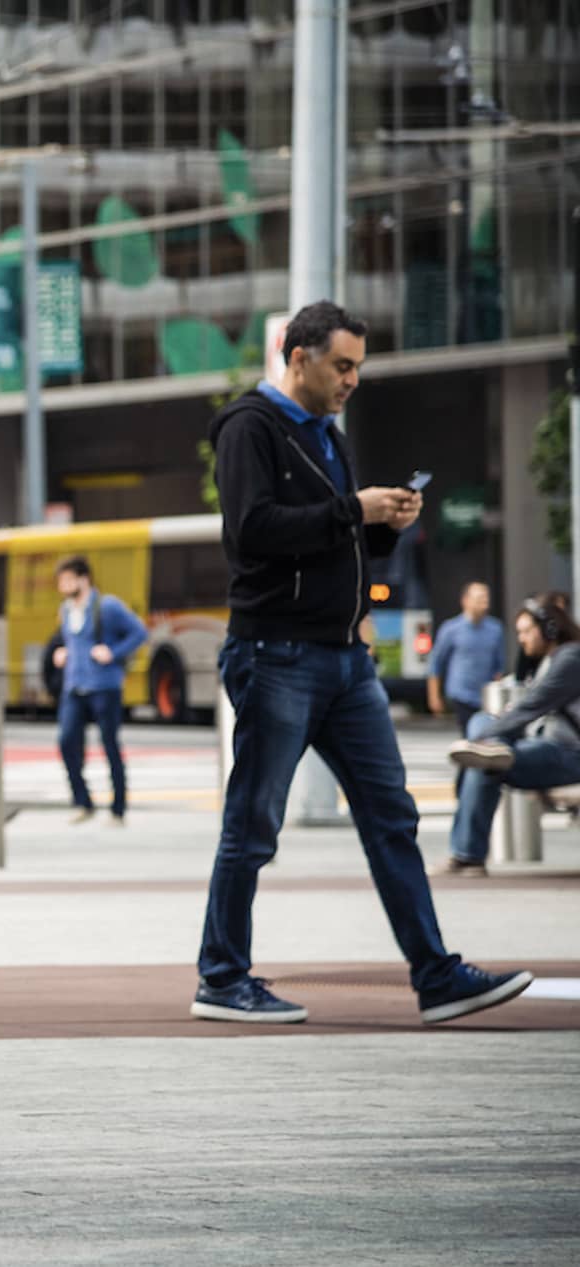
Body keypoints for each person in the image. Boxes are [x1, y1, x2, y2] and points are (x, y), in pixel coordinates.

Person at [194, 298, 530, 1026]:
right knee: (253, 825)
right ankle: (221, 976)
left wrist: (385, 528)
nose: (351, 380)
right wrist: (356, 510)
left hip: (345, 661)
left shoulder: (327, 437)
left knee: (392, 817)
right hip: (274, 652)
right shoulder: (251, 429)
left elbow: (333, 540)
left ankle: (437, 976)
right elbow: (253, 532)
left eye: (358, 368)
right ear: (298, 356)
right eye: (342, 365)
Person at [439, 594, 580, 878]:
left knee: (486, 757)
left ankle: (468, 857)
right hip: (543, 747)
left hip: (568, 753)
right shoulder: (548, 661)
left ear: (550, 629)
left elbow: (532, 706)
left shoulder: (571, 658)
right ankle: (489, 750)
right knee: (484, 738)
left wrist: (477, 741)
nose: (522, 639)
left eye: (527, 631)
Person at [48, 555, 148, 826]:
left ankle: (118, 808)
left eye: (68, 580)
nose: (64, 586)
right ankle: (82, 801)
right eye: (61, 581)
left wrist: (113, 652)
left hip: (104, 686)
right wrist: (64, 653)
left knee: (110, 745)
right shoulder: (66, 610)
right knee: (66, 741)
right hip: (74, 686)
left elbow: (140, 632)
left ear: (84, 578)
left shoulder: (107, 606)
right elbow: (73, 641)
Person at [428, 581, 506, 734]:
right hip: (461, 693)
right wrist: (434, 696)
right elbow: (436, 663)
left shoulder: (495, 629)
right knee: (470, 734)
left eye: (486, 599)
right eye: (479, 599)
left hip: (485, 694)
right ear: (465, 601)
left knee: (483, 735)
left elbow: (499, 666)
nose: (484, 603)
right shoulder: (450, 629)